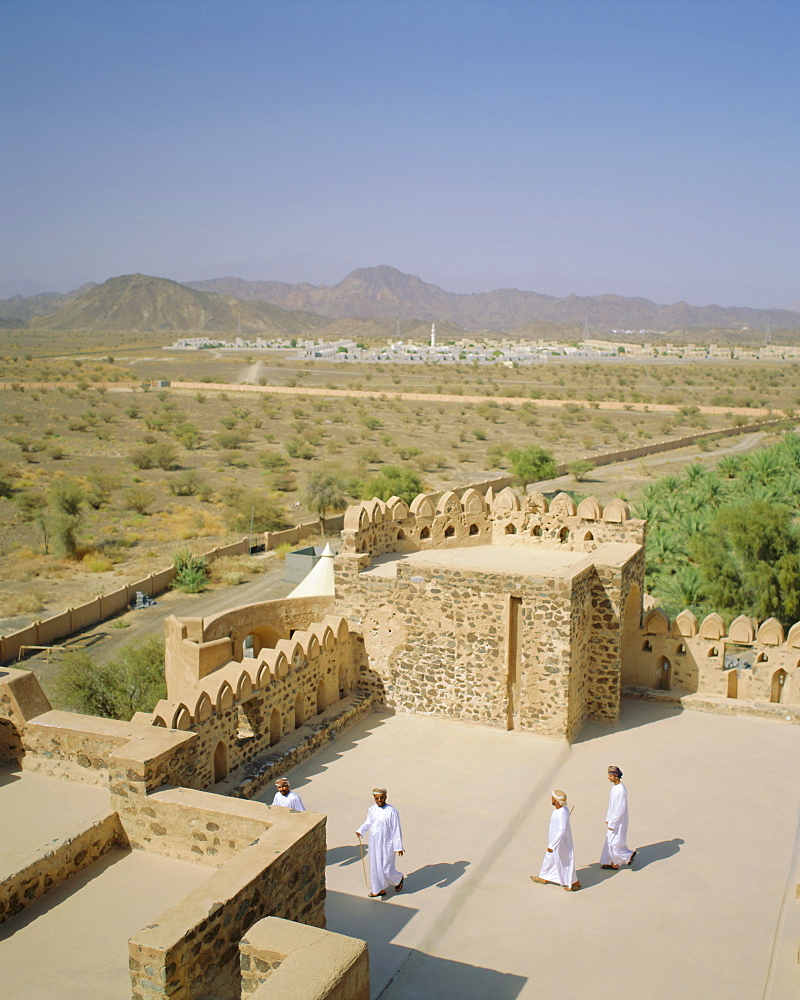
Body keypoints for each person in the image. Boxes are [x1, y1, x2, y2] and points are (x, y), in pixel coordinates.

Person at [356, 787, 405, 898]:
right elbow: (368, 822)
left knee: (386, 868)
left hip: (387, 844)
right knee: (375, 867)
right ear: (374, 798)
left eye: (381, 798)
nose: (379, 800)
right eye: (377, 798)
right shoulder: (372, 810)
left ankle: (398, 879)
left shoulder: (392, 812)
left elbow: (396, 829)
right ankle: (379, 889)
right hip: (374, 844)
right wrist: (360, 830)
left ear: (385, 797)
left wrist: (398, 846)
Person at [530, 789, 581, 891]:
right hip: (555, 841)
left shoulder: (562, 813)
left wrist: (552, 845)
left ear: (557, 801)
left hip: (560, 843)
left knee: (565, 861)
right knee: (550, 859)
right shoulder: (560, 810)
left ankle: (575, 883)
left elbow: (561, 831)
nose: (551, 799)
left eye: (552, 798)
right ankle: (544, 877)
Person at [600, 765, 636, 869]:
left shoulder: (621, 790)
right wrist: (608, 818)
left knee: (615, 842)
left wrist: (613, 822)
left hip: (618, 821)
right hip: (612, 820)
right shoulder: (614, 788)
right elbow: (612, 805)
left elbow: (621, 809)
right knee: (609, 841)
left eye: (610, 776)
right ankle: (612, 863)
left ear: (616, 776)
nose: (608, 778)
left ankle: (628, 856)